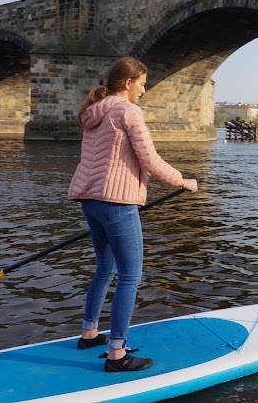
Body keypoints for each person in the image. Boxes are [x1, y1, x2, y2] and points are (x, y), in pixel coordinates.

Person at [68, 56, 198, 373]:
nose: (144, 90)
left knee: (105, 268)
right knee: (130, 275)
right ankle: (117, 354)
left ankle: (89, 333)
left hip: (91, 200)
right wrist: (183, 180)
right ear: (128, 82)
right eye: (142, 83)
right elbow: (150, 161)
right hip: (117, 202)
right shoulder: (127, 111)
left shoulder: (93, 113)